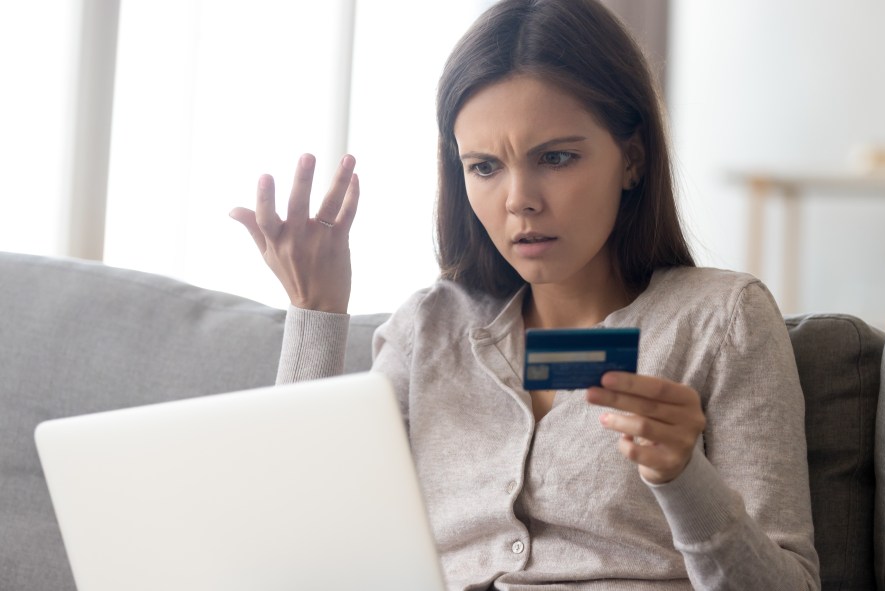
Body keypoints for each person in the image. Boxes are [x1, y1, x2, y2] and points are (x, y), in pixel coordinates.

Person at [230, 0, 820, 589]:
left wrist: (683, 476)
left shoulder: (722, 320)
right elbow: (298, 543)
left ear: (632, 159)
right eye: (484, 167)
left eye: (556, 158)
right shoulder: (431, 328)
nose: (520, 201)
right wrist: (316, 310)